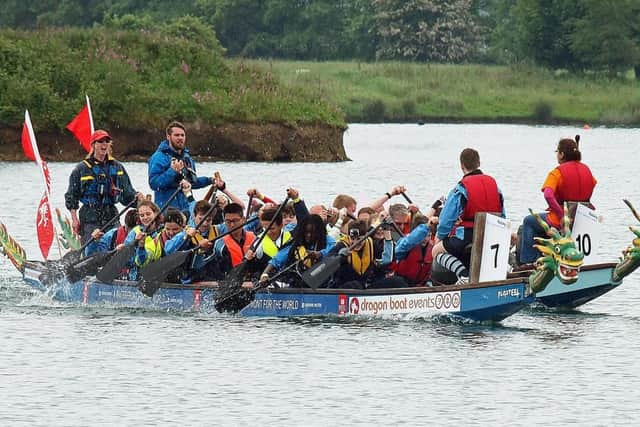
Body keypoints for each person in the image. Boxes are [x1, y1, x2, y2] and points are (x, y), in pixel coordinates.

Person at [518, 136, 597, 265]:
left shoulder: (558, 172)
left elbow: (548, 195)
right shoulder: (587, 170)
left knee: (529, 221)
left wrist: (561, 216)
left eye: (557, 152)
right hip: (583, 219)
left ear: (561, 154)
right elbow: (592, 184)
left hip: (560, 220)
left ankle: (528, 263)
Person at [432, 148, 504, 285]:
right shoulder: (495, 186)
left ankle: (463, 275)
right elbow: (503, 214)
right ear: (479, 163)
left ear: (462, 166)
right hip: (493, 234)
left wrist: (439, 237)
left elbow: (445, 221)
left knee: (436, 251)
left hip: (469, 235)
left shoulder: (461, 188)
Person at [64, 130, 141, 244]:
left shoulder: (117, 167)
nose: (104, 144)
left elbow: (127, 194)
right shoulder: (81, 169)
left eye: (107, 141)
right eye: (100, 141)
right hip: (89, 217)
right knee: (92, 250)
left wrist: (139, 200)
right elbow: (72, 196)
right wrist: (74, 220)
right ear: (93, 145)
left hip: (112, 216)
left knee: (116, 245)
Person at [148, 121, 214, 212]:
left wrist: (210, 180)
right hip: (167, 212)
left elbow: (192, 183)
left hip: (187, 210)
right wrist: (172, 171)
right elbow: (154, 184)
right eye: (177, 135)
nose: (180, 138)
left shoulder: (187, 158)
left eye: (182, 135)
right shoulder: (158, 157)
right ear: (168, 136)